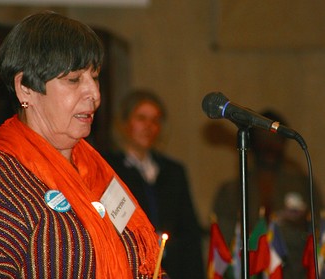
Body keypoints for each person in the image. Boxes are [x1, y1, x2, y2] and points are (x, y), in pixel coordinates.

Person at [0, 11, 168, 279]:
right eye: (74, 79)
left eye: (95, 77)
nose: (95, 95)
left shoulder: (96, 171)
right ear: (25, 89)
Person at [104, 90, 205, 279]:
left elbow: (190, 232)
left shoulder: (174, 171)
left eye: (155, 120)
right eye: (141, 118)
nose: (149, 127)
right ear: (124, 123)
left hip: (173, 270)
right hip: (129, 269)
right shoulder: (108, 169)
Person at [213, 109, 322, 279]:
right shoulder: (232, 190)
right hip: (248, 270)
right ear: (252, 142)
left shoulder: (301, 182)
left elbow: (319, 229)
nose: (270, 146)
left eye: (276, 140)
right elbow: (222, 239)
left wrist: (301, 226)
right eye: (263, 139)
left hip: (294, 270)